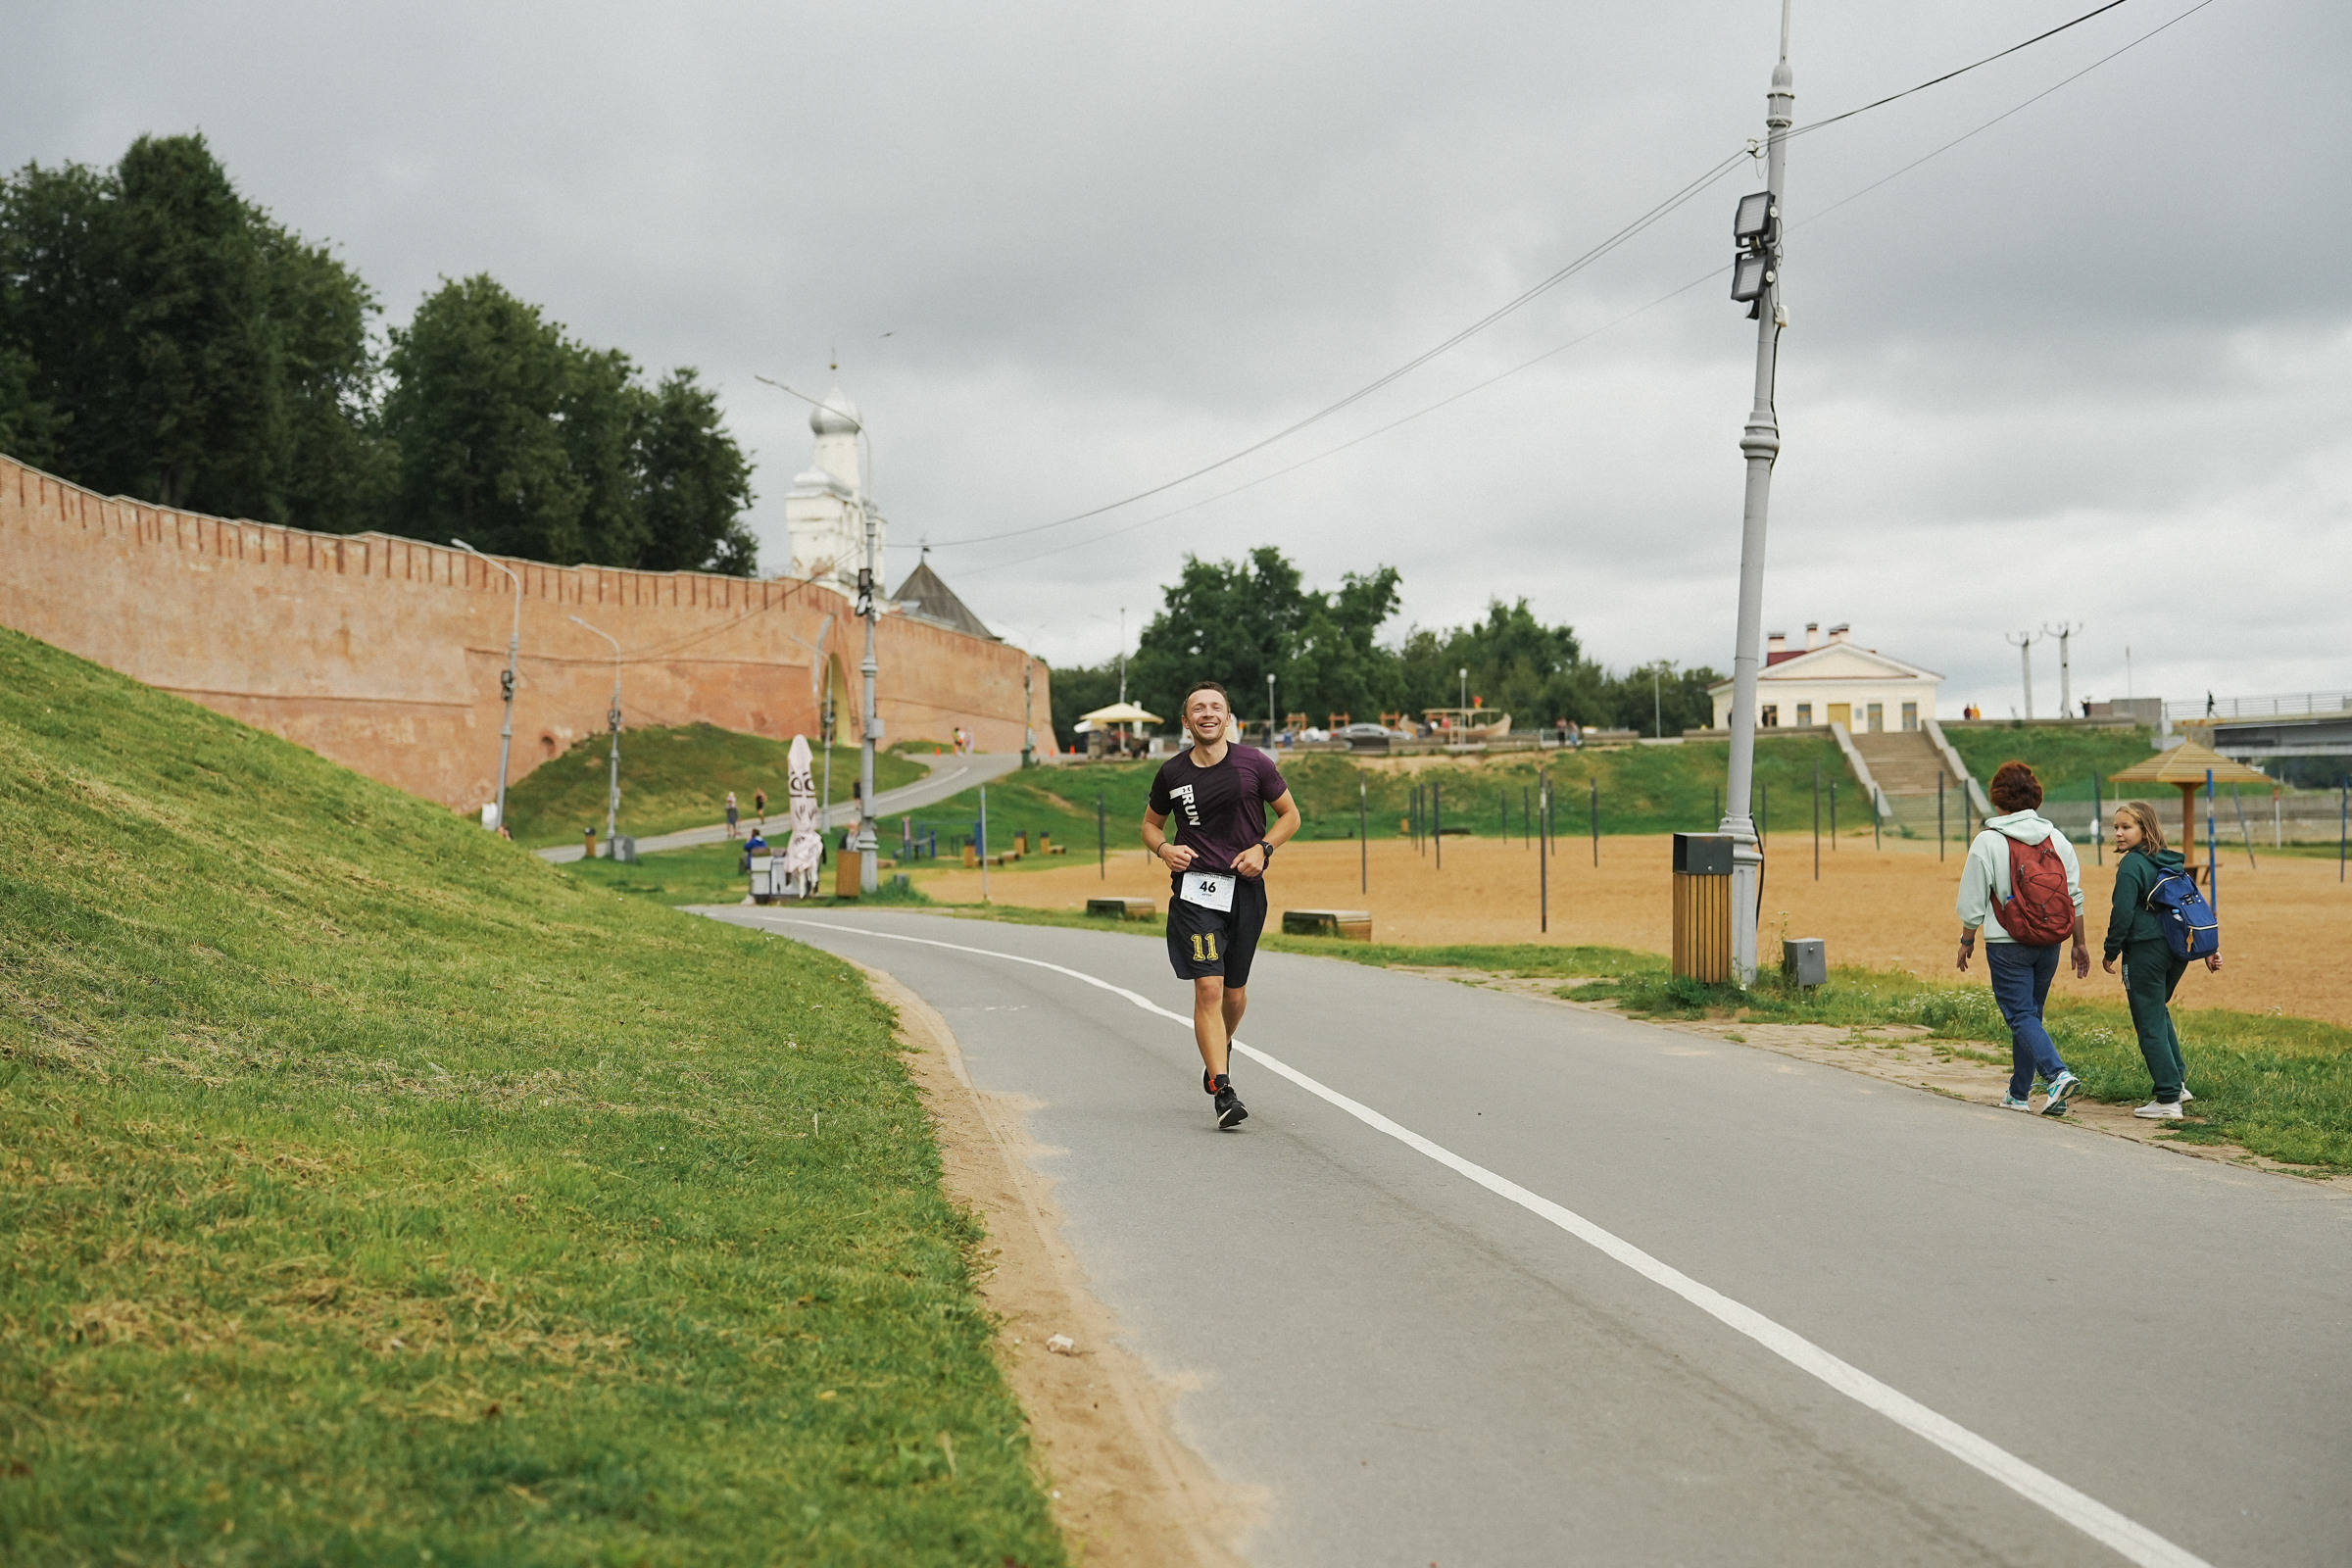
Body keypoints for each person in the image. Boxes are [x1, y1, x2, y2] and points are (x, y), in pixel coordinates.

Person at [1142, 681, 1303, 1129]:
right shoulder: (1172, 774)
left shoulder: (1254, 763)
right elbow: (1151, 826)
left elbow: (1291, 815)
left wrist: (1264, 849)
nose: (1207, 713)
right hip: (1195, 892)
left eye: (1216, 707)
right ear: (1186, 720)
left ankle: (1220, 1044)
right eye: (1198, 708)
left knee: (1233, 993)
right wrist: (1164, 850)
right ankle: (1223, 1088)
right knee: (1209, 989)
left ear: (1228, 717)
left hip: (1246, 890)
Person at [1956, 760, 2088, 1115]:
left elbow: (1972, 901)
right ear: (2035, 797)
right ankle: (2018, 1094)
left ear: (1997, 800)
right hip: (2050, 941)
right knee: (2031, 1015)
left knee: (2019, 1015)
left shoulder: (1989, 840)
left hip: (2006, 941)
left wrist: (1967, 939)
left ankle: (2057, 1076)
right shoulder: (2057, 839)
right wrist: (2079, 943)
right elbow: (2074, 896)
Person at [2103, 801, 2222, 1118]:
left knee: (2148, 1019)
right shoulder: (2169, 860)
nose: (2118, 833)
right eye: (2116, 827)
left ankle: (2168, 1099)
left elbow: (2122, 913)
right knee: (2157, 1011)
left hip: (2145, 951)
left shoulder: (2131, 865)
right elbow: (2191, 905)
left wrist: (2110, 950)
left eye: (2126, 827)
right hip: (2176, 949)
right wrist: (2208, 948)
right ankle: (2178, 1083)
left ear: (2145, 829)